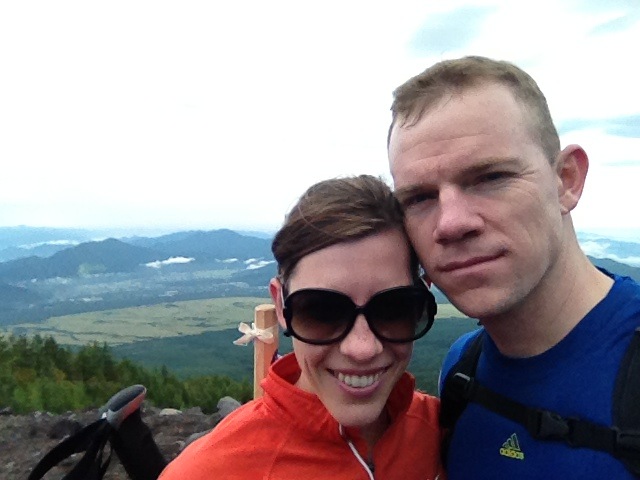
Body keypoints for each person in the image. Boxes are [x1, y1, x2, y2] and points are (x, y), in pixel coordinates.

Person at [386, 55, 640, 479]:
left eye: (490, 177)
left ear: (566, 180)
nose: (451, 224)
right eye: (419, 198)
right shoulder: (463, 370)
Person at [159, 175, 445, 480]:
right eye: (322, 311)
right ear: (280, 305)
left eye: (394, 308)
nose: (362, 348)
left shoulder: (445, 431)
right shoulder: (208, 473)